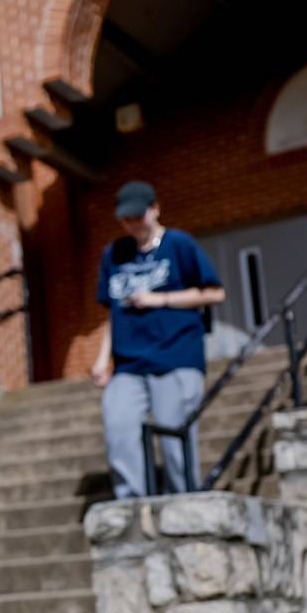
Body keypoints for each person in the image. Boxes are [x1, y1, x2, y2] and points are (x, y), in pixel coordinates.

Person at [90, 180, 225, 497]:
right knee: (119, 427)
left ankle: (185, 502)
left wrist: (159, 300)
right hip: (128, 364)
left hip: (176, 356)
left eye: (139, 215)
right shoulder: (114, 254)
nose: (134, 223)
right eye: (126, 219)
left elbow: (215, 292)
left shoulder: (179, 244)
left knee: (174, 439)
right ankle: (132, 505)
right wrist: (101, 359)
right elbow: (112, 311)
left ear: (155, 209)